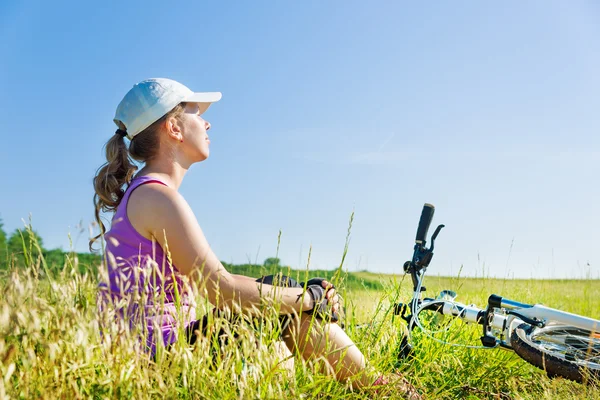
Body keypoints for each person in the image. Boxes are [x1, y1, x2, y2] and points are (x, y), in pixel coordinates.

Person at [91, 78, 420, 398]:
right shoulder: (157, 198)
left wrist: (301, 294)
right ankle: (385, 391)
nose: (206, 125)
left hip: (164, 356)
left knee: (280, 291)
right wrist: (309, 299)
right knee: (285, 298)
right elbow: (222, 290)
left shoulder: (147, 195)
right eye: (197, 114)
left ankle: (379, 388)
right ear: (174, 128)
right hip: (161, 367)